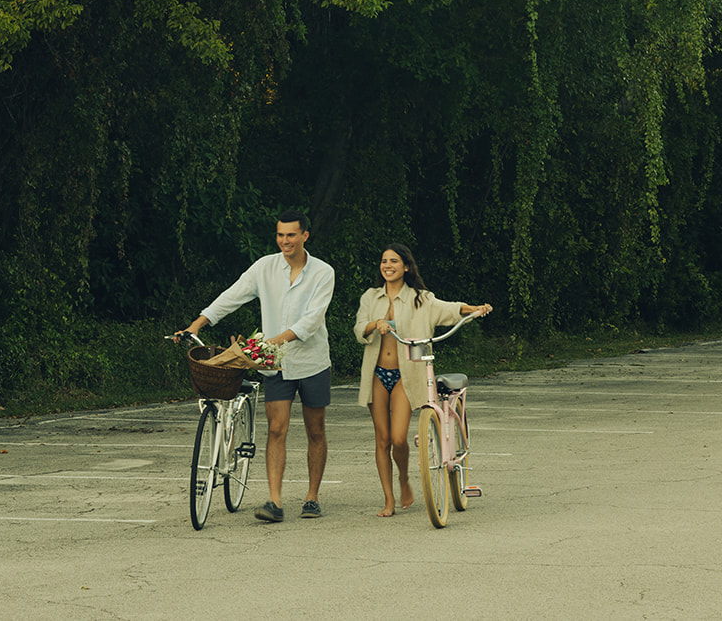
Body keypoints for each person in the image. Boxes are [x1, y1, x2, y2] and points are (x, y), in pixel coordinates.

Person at [177, 210, 335, 523]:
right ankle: (274, 502)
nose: (284, 241)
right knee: (276, 428)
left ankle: (312, 497)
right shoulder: (265, 267)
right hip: (273, 365)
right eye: (280, 235)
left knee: (315, 429)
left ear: (305, 235)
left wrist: (275, 340)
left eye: (291, 235)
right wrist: (197, 324)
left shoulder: (323, 272)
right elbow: (232, 296)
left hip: (312, 361)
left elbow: (312, 320)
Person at [354, 242, 490, 517]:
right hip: (377, 373)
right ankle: (389, 499)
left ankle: (404, 478)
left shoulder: (421, 299)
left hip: (407, 375)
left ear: (406, 266)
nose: (388, 266)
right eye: (384, 261)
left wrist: (473, 308)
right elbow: (359, 329)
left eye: (394, 261)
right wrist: (375, 324)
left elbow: (449, 309)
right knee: (382, 440)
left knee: (398, 439)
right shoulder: (371, 297)